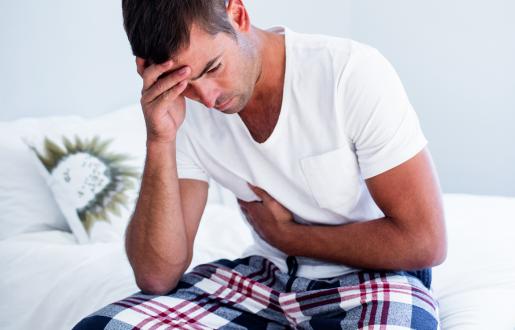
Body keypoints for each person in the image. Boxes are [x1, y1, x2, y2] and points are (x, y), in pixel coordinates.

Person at [74, 0, 447, 328]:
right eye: (185, 82)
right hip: (263, 278)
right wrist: (160, 140)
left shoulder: (348, 73)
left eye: (212, 68)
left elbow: (425, 242)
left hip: (373, 279)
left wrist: (288, 238)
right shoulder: (182, 109)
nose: (206, 97)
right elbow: (156, 276)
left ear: (237, 14)